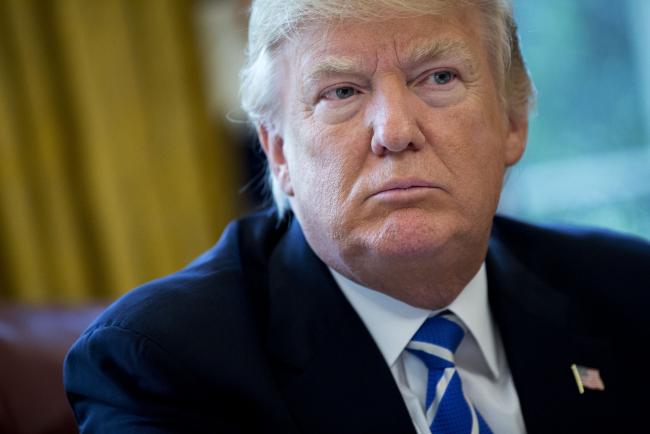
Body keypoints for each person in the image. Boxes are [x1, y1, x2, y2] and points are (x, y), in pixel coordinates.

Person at [64, 0, 650, 433]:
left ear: (513, 122)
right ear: (279, 152)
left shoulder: (631, 292)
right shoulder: (165, 364)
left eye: (439, 78)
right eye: (341, 92)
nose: (395, 131)